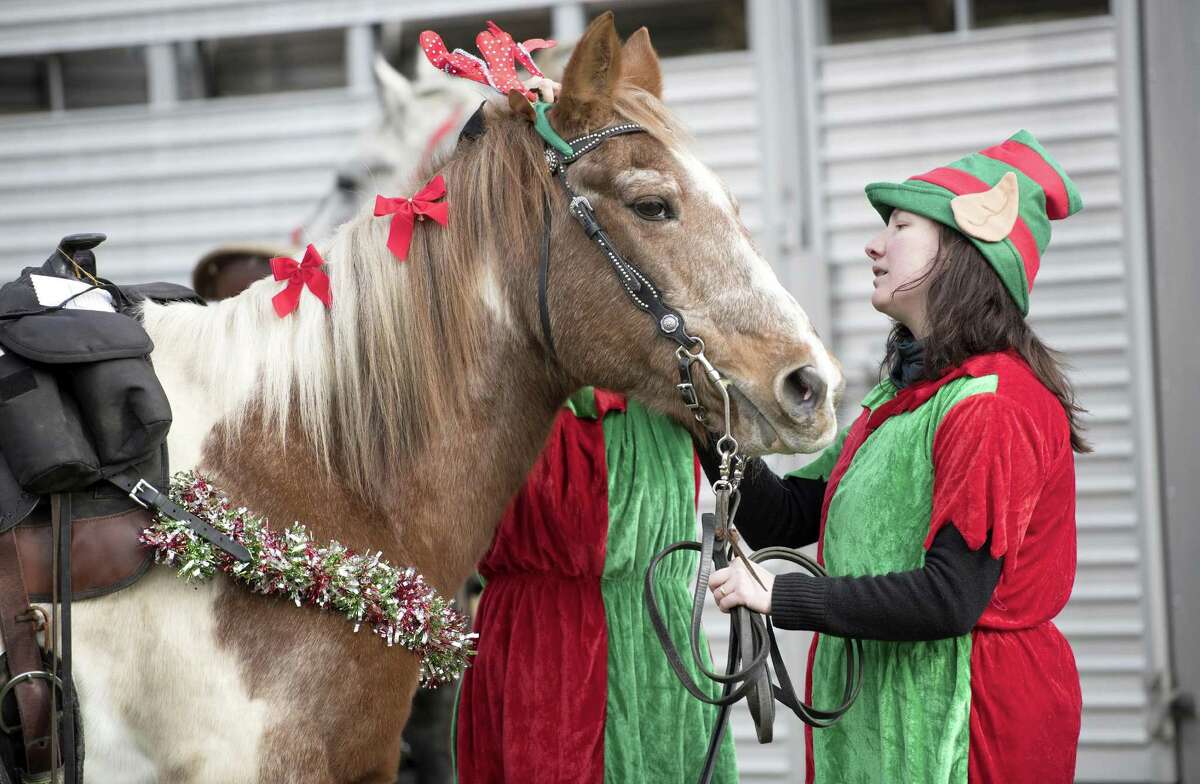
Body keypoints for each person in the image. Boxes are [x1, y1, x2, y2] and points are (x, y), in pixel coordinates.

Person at [703, 130, 1085, 783]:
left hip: (969, 720)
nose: (873, 244)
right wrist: (704, 412)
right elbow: (788, 516)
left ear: (965, 253)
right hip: (880, 711)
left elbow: (950, 598)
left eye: (901, 226)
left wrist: (784, 596)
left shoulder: (993, 405)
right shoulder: (903, 399)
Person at [455, 388, 736, 783]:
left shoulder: (679, 386)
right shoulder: (494, 386)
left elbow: (778, 507)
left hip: (654, 651)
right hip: (540, 651)